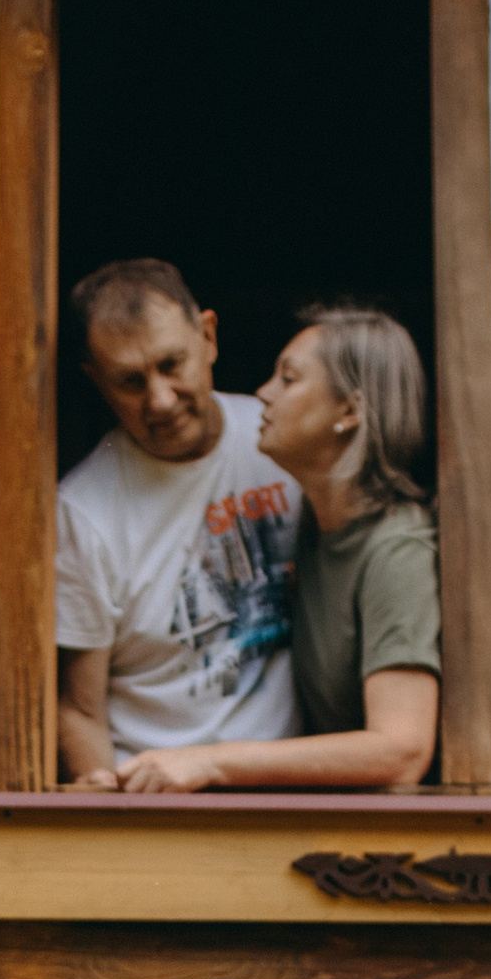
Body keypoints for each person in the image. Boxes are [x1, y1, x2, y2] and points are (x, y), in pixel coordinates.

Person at [108, 299, 443, 795]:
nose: (263, 394)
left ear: (348, 411)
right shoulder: (316, 521)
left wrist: (211, 762)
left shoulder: (397, 547)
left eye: (288, 379)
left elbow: (401, 750)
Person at [53, 259, 302, 791]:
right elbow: (80, 707)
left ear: (208, 337)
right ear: (95, 381)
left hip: (294, 790)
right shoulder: (83, 511)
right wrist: (101, 793)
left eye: (172, 364)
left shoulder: (283, 442)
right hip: (159, 803)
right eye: (130, 381)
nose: (160, 399)